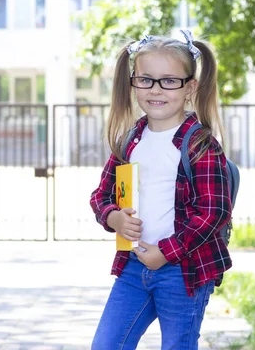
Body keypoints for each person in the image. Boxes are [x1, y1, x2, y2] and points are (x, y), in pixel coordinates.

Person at [89, 30, 232, 350]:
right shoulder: (130, 140)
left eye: (169, 81)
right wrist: (113, 217)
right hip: (133, 269)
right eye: (145, 79)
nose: (156, 89)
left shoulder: (199, 144)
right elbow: (101, 195)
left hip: (184, 274)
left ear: (190, 87)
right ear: (133, 83)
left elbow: (215, 212)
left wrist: (165, 252)